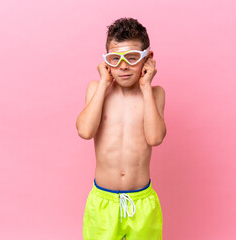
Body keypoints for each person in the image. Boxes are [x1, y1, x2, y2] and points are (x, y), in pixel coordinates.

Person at [76, 17, 166, 240]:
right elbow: (85, 131)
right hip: (103, 202)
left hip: (141, 202)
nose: (123, 66)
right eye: (115, 59)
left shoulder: (155, 94)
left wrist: (146, 87)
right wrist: (105, 83)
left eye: (133, 58)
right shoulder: (97, 89)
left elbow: (155, 138)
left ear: (148, 59)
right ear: (106, 62)